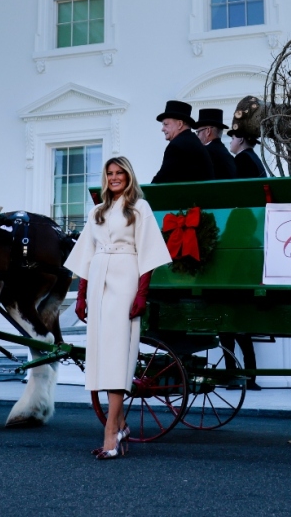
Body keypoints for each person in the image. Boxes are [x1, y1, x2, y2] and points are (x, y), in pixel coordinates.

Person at [65, 157, 172, 459]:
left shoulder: (140, 208)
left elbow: (148, 253)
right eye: (109, 174)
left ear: (128, 175)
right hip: (98, 279)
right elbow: (85, 255)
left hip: (125, 278)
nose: (114, 178)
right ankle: (120, 423)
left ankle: (111, 430)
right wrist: (82, 295)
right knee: (99, 355)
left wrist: (141, 294)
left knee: (117, 354)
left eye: (119, 173)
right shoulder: (96, 212)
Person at [151, 100, 215, 183]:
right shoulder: (194, 141)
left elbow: (162, 179)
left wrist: (144, 194)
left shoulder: (176, 146)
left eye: (166, 124)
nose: (162, 129)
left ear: (180, 124)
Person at [194, 108, 236, 180]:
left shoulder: (205, 153)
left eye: (198, 132)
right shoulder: (226, 153)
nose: (197, 136)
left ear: (208, 131)